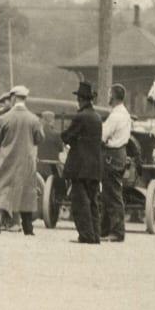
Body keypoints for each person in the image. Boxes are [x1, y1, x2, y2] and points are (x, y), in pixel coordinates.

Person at [0, 85, 43, 235]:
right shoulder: (34, 119)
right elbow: (39, 138)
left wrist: (5, 147)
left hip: (7, 158)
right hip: (26, 160)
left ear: (12, 98)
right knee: (26, 190)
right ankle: (28, 228)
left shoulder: (5, 118)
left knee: (2, 186)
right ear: (25, 99)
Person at [59, 79, 104, 244]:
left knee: (80, 202)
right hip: (95, 167)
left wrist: (65, 136)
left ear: (81, 99)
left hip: (80, 167)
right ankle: (95, 235)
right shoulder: (97, 117)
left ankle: (85, 235)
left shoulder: (81, 116)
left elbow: (67, 136)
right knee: (93, 202)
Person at [100, 83, 132, 241]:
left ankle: (117, 232)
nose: (107, 97)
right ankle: (105, 229)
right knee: (109, 192)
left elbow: (103, 135)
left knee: (112, 194)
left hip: (111, 154)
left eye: (108, 94)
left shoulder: (115, 115)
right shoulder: (124, 113)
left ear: (112, 96)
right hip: (119, 154)